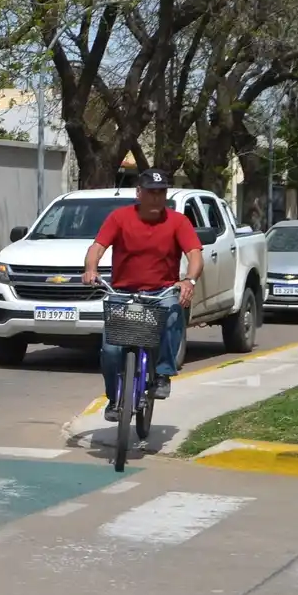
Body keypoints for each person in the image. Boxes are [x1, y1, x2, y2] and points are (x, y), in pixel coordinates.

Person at [81, 169, 204, 422]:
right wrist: (91, 269)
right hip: (123, 293)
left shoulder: (178, 221)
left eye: (161, 192)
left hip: (161, 292)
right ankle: (114, 400)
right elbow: (97, 246)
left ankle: (162, 375)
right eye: (151, 192)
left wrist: (189, 281)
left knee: (174, 313)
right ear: (139, 193)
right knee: (111, 350)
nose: (156, 198)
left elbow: (194, 254)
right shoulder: (120, 218)